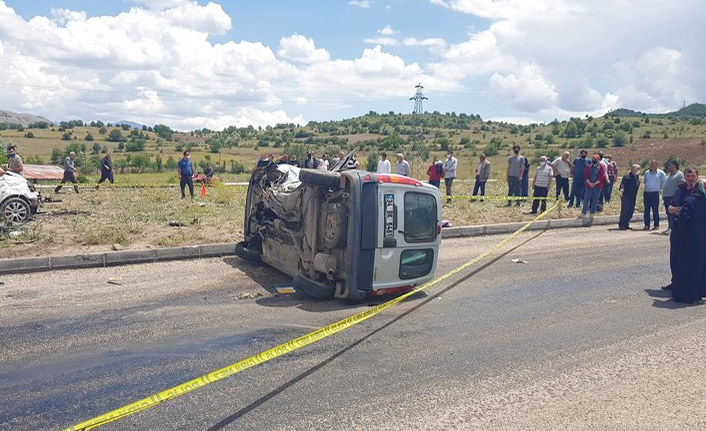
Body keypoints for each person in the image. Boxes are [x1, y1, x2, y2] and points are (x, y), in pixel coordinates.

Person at [666, 169, 706, 303]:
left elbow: (687, 213)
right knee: (676, 258)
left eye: (692, 176)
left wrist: (682, 212)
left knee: (691, 263)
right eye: (687, 176)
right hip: (680, 231)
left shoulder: (694, 197)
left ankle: (690, 291)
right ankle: (676, 282)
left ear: (697, 177)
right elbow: (671, 205)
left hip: (690, 233)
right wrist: (672, 209)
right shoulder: (680, 190)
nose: (689, 178)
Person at [642, 160, 666, 231]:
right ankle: (646, 225)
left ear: (657, 165)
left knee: (655, 210)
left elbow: (663, 183)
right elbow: (645, 181)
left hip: (655, 194)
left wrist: (659, 190)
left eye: (654, 164)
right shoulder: (646, 173)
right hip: (647, 193)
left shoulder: (661, 173)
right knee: (646, 210)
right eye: (651, 164)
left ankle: (656, 225)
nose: (652, 166)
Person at [662, 160, 684, 235]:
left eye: (670, 166)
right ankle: (669, 227)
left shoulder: (679, 174)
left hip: (673, 197)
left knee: (672, 213)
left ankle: (672, 228)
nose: (669, 167)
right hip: (666, 197)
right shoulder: (670, 175)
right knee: (668, 213)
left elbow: (681, 186)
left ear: (674, 166)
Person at [581, 154, 606, 219]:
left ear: (598, 160)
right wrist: (590, 183)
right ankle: (583, 213)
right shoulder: (588, 166)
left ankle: (592, 213)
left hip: (597, 186)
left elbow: (602, 177)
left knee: (595, 200)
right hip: (589, 185)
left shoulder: (601, 167)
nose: (594, 161)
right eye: (593, 159)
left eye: (595, 159)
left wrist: (594, 184)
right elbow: (586, 176)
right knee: (586, 199)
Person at [618, 164, 641, 230]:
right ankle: (621, 224)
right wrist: (621, 191)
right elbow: (623, 184)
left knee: (630, 211)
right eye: (637, 169)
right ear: (633, 170)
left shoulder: (637, 177)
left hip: (633, 196)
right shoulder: (627, 176)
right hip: (626, 196)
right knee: (625, 210)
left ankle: (626, 223)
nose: (638, 171)